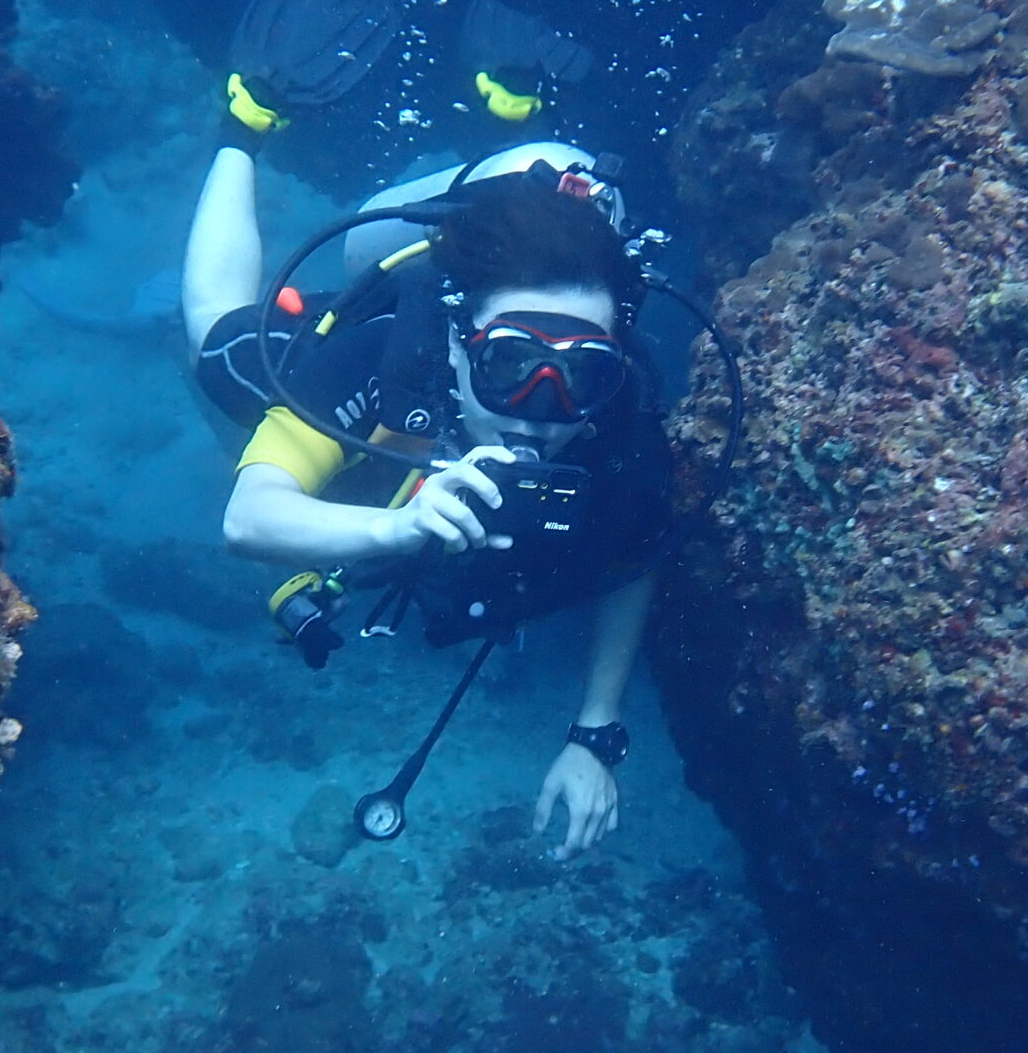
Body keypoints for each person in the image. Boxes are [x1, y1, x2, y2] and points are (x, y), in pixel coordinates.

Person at [183, 79, 669, 860]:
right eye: (511, 363)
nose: (541, 405)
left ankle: (533, 144)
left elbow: (636, 557)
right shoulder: (381, 358)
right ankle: (246, 120)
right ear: (455, 344)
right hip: (367, 379)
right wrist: (397, 525)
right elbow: (248, 517)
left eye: (583, 372)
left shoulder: (619, 408)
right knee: (218, 347)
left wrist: (596, 728)